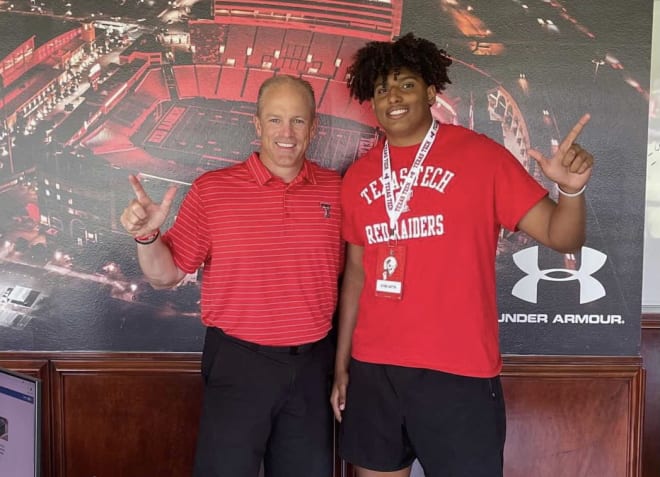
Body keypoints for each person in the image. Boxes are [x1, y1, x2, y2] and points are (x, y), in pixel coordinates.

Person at [330, 33, 594, 477]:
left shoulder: (482, 158)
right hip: (375, 369)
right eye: (380, 89)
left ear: (432, 91)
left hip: (459, 371)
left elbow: (561, 236)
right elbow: (356, 275)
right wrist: (342, 366)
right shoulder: (358, 177)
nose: (392, 97)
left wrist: (571, 189)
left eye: (406, 84)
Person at [120, 75, 342, 477]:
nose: (286, 133)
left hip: (314, 366)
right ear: (257, 125)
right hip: (240, 363)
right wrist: (147, 235)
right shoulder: (212, 190)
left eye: (297, 120)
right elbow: (165, 277)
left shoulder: (337, 190)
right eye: (275, 120)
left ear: (313, 126)